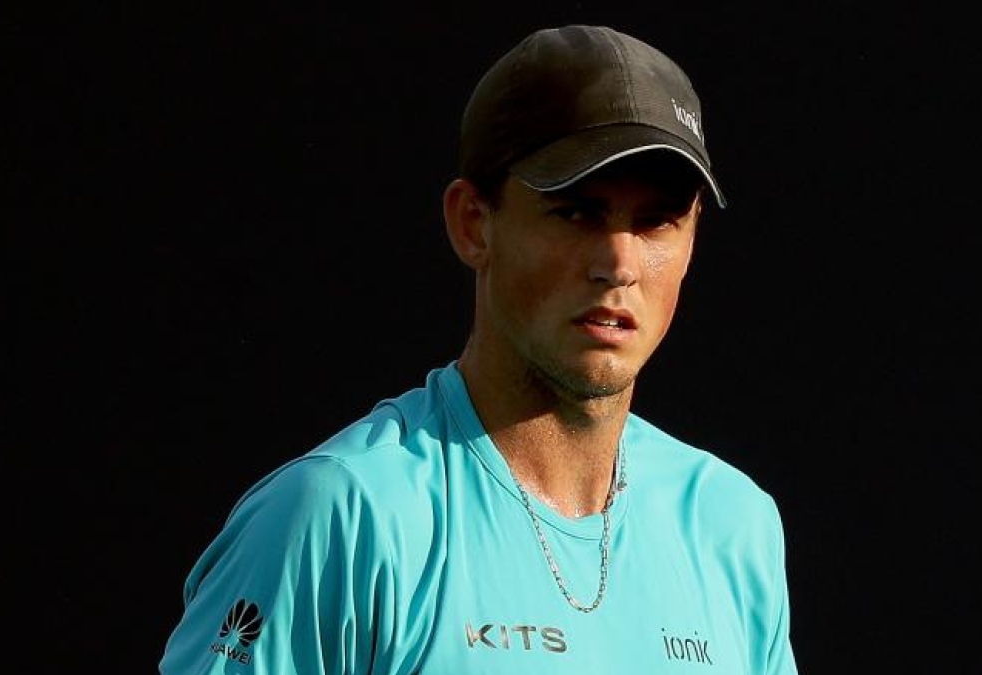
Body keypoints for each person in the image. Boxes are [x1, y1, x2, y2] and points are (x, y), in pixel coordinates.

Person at [159, 24, 800, 674]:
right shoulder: (342, 516)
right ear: (473, 223)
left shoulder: (732, 526)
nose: (619, 262)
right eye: (577, 212)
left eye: (657, 219)